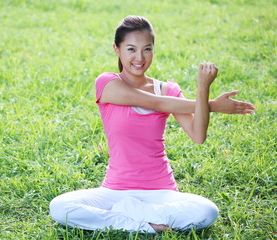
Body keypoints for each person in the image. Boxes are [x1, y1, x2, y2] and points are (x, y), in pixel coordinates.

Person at [49, 16, 255, 233]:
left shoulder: (169, 90)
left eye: (147, 49)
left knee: (207, 210)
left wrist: (203, 89)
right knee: (60, 207)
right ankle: (146, 226)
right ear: (116, 49)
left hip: (160, 192)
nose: (139, 57)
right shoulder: (107, 83)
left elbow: (198, 136)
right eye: (131, 49)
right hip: (116, 190)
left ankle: (127, 217)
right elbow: (154, 102)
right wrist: (212, 105)